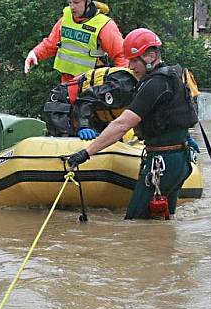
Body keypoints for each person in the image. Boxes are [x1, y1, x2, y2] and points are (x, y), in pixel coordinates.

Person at [66, 28, 198, 219]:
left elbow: (122, 125)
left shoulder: (154, 84)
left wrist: (86, 153)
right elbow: (172, 116)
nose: (130, 66)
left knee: (135, 222)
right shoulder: (173, 76)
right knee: (162, 222)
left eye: (135, 60)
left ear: (151, 56)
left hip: (163, 163)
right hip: (179, 160)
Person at [23, 0, 126, 83]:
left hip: (92, 87)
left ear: (88, 1)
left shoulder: (104, 25)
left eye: (76, 2)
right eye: (70, 2)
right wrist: (35, 53)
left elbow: (121, 55)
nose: (72, 7)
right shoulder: (65, 19)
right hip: (67, 85)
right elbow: (50, 44)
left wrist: (123, 81)